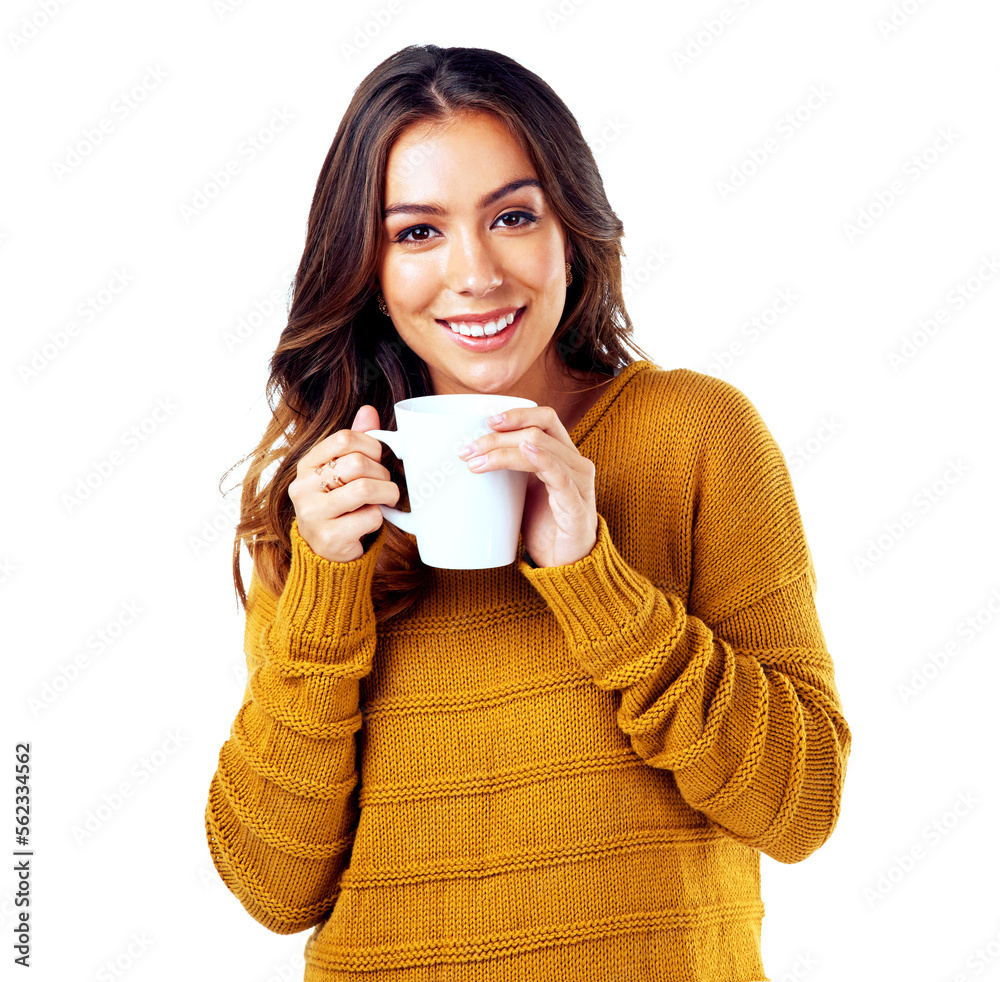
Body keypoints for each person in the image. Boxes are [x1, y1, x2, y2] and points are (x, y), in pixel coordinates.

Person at [204, 43, 852, 982]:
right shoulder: (326, 498)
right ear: (368, 265)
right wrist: (322, 594)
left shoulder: (699, 435)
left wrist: (597, 579)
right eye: (417, 233)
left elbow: (801, 804)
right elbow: (273, 887)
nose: (475, 274)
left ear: (570, 231)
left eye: (512, 216)